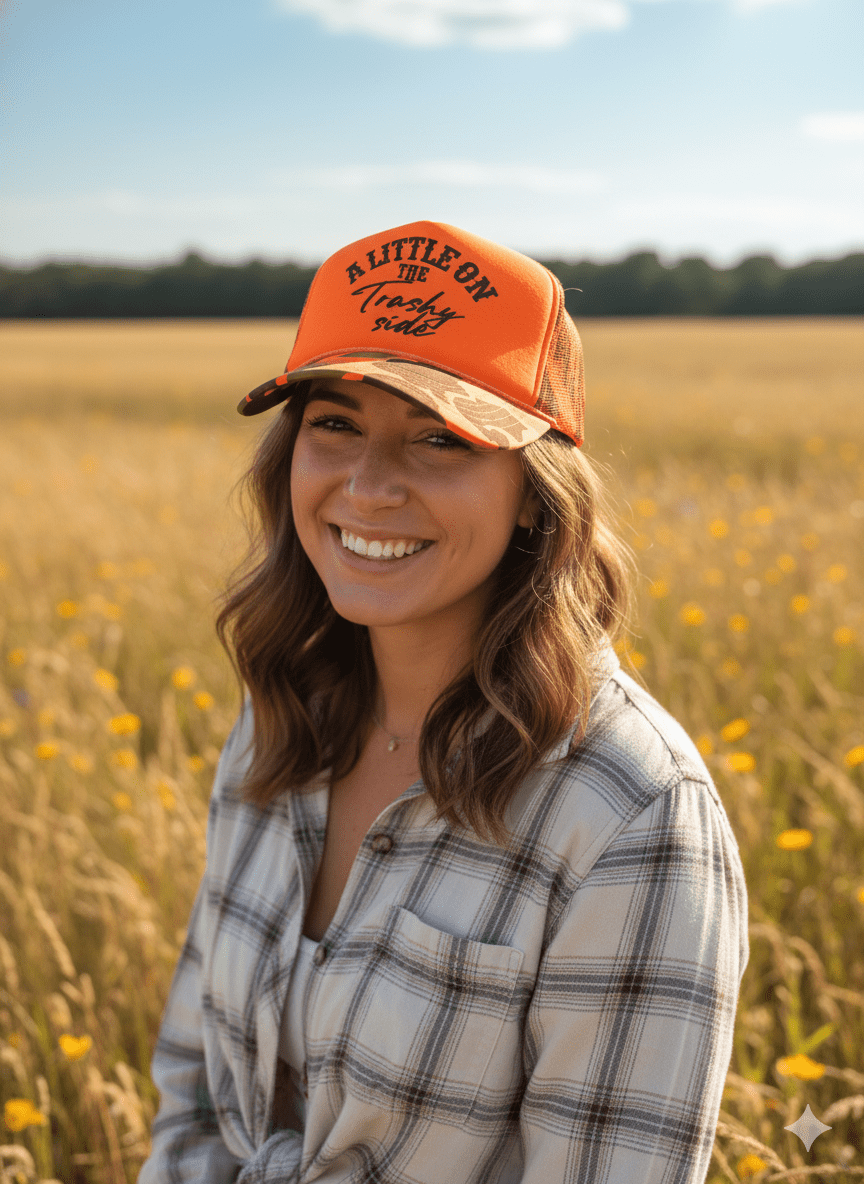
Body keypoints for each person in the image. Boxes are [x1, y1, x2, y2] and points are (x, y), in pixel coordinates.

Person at [138, 220, 749, 1184]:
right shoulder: (278, 720)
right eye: (334, 423)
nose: (370, 486)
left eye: (441, 438)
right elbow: (198, 1092)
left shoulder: (630, 816)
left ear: (535, 496)